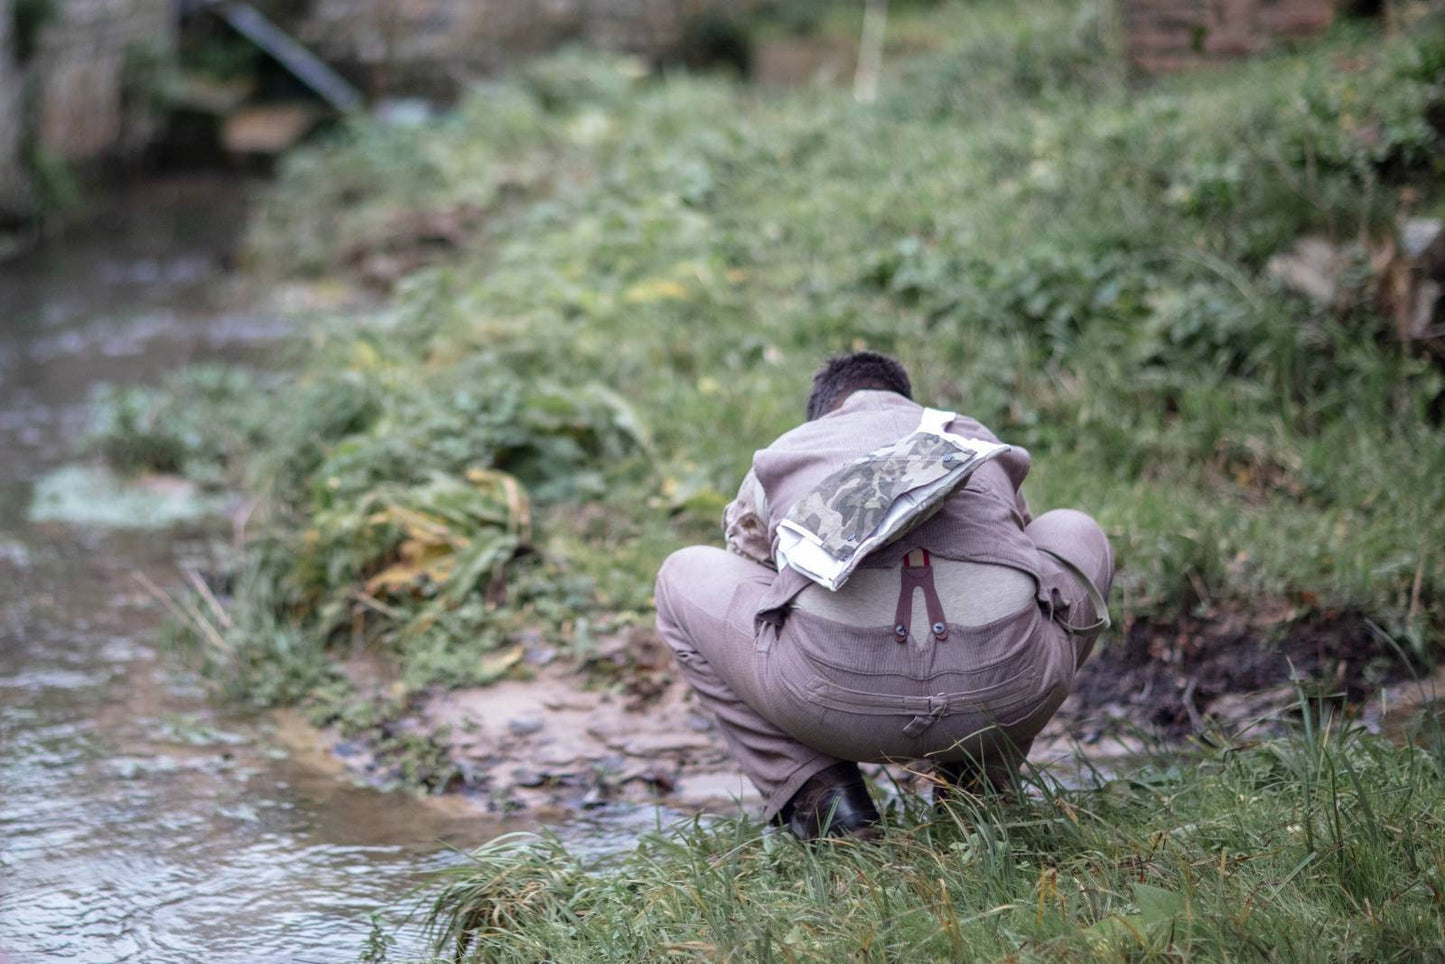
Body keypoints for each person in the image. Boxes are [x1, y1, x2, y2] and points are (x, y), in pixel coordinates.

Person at [654, 351, 1113, 840]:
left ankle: (824, 800)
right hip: (1002, 698)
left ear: (825, 412)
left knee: (680, 574)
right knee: (1074, 530)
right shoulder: (967, 435)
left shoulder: (788, 452)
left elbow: (753, 569)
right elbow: (1020, 559)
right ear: (906, 401)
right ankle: (980, 785)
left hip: (831, 704)